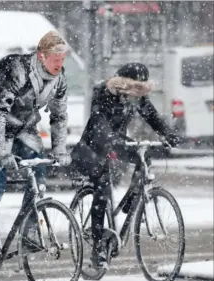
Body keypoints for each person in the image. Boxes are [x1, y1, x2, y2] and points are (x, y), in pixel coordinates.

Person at [0, 31, 72, 276]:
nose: (59, 63)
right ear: (41, 56)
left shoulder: (60, 78)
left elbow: (59, 115)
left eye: (62, 58)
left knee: (39, 179)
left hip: (23, 129)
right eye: (55, 58)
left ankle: (29, 233)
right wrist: (1, 152)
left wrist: (59, 149)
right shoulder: (19, 71)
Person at [70, 62, 182, 269]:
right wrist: (111, 138)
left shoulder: (136, 98)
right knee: (102, 188)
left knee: (143, 158)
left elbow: (152, 116)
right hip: (93, 145)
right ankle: (97, 246)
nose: (138, 94)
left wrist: (168, 134)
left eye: (142, 89)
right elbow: (98, 120)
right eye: (135, 88)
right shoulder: (103, 93)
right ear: (122, 84)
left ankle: (132, 201)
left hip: (117, 141)